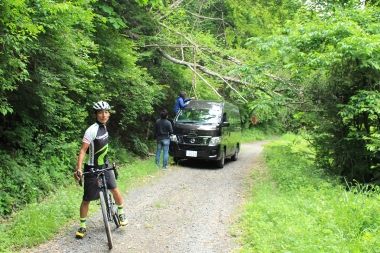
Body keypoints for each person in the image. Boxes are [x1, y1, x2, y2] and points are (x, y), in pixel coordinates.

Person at [74, 101, 128, 239]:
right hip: (92, 168)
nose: (103, 115)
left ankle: (121, 212)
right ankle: (83, 226)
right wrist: (79, 169)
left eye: (106, 112)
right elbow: (82, 150)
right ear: (95, 115)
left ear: (108, 114)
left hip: (104, 165)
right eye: (100, 113)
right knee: (86, 200)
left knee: (114, 189)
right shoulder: (91, 130)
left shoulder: (105, 128)